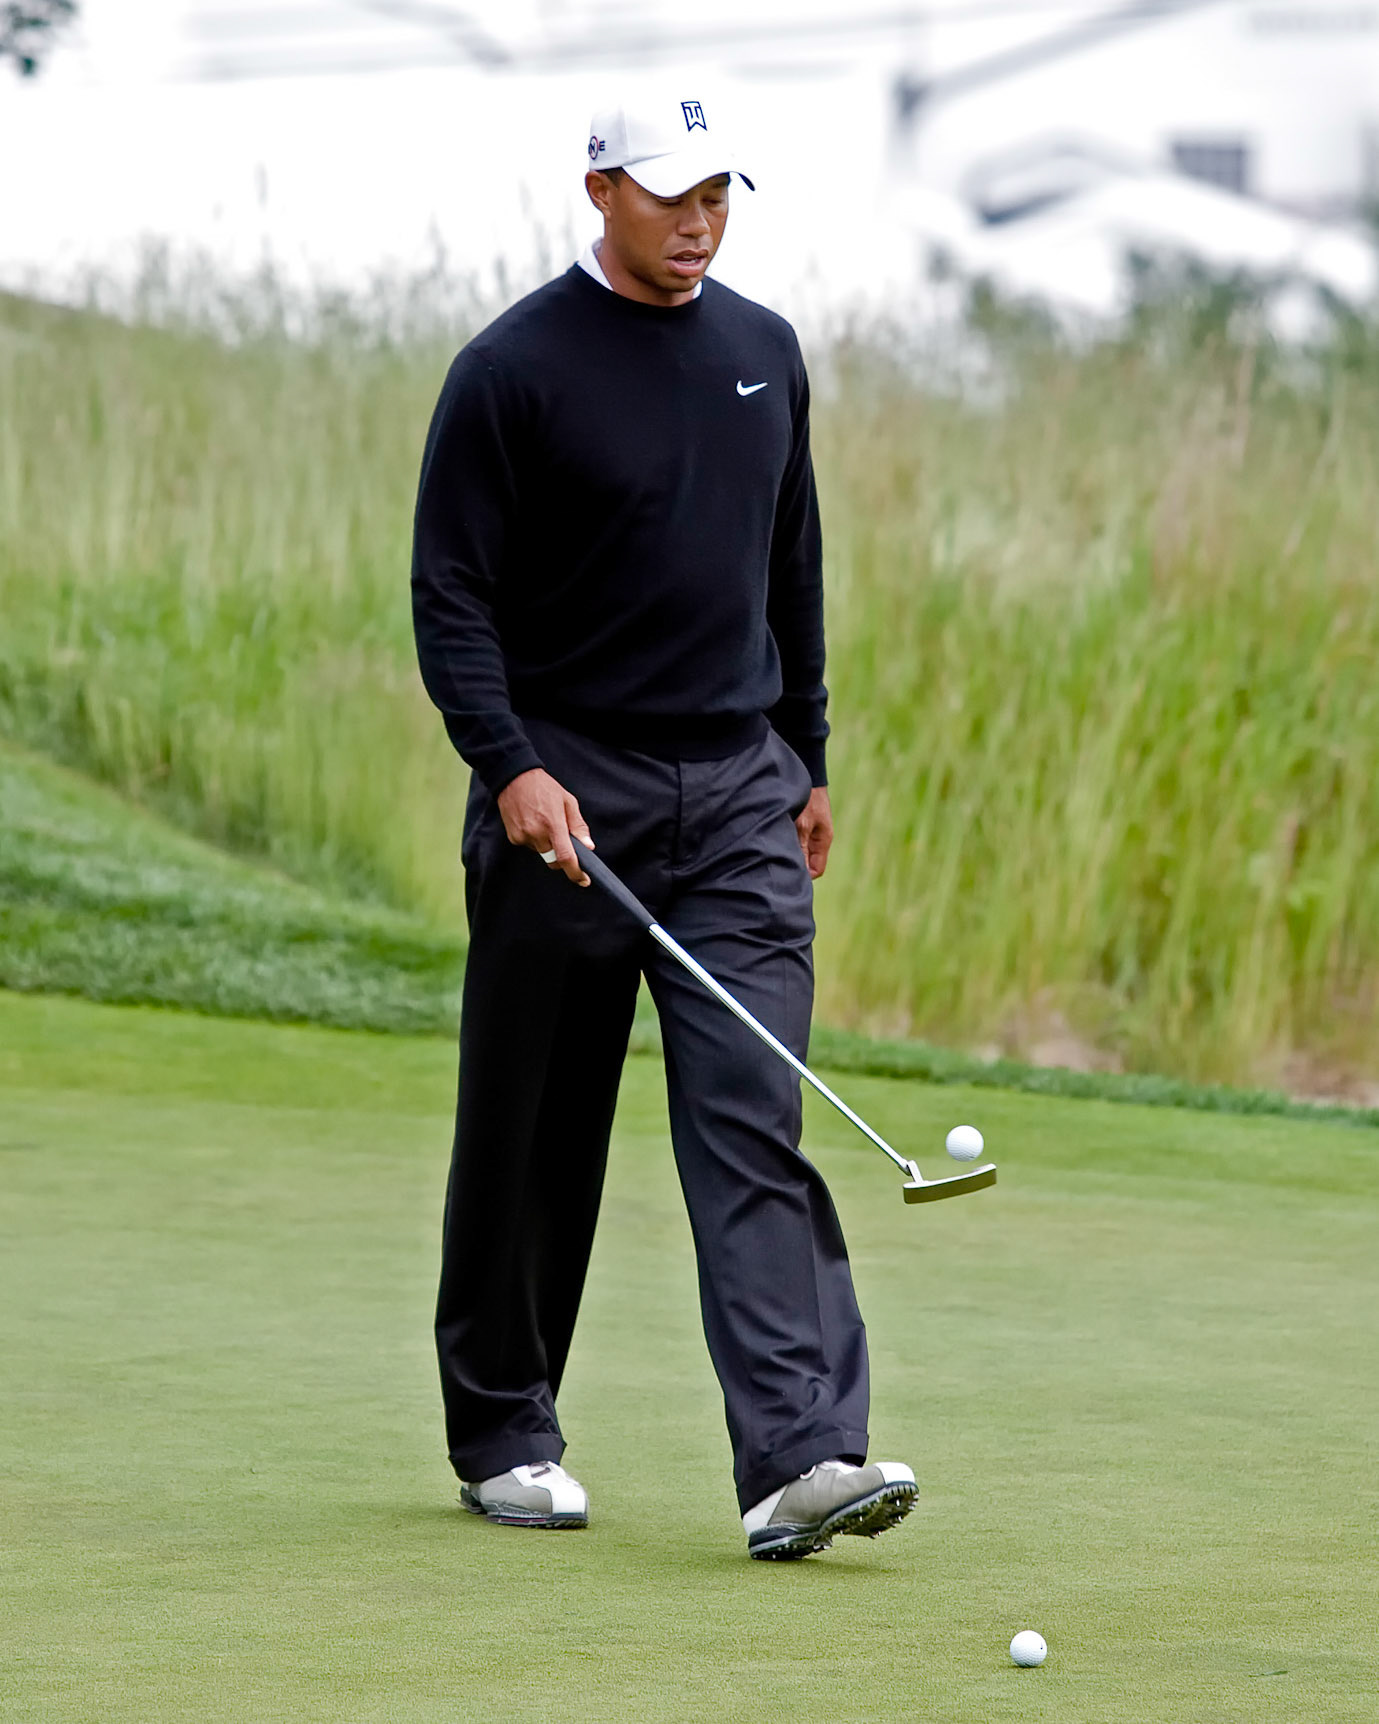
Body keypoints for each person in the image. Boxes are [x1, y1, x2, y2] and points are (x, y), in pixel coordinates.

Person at [411, 92, 916, 1560]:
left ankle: (801, 1460)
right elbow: (452, 596)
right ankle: (504, 1429)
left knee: (753, 1113)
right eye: (672, 194)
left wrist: (806, 754)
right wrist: (508, 767)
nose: (700, 223)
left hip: (739, 791)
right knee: (537, 1130)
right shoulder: (512, 371)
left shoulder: (764, 352)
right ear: (600, 188)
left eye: (720, 197)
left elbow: (792, 565)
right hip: (566, 794)